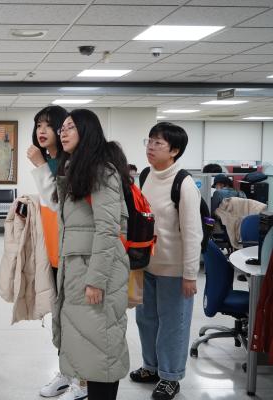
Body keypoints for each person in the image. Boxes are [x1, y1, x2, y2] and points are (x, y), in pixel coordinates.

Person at [32, 109, 130, 400]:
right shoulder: (77, 169)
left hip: (95, 272)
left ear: (87, 131)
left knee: (101, 346)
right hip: (77, 270)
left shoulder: (102, 171)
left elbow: (108, 229)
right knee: (88, 345)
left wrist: (96, 280)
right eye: (62, 128)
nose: (63, 132)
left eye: (70, 127)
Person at [130, 122, 202, 400]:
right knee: (146, 319)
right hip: (146, 264)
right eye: (149, 141)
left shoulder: (184, 184)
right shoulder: (146, 175)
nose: (150, 147)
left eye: (158, 143)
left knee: (173, 324)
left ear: (174, 150)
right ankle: (151, 367)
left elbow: (193, 233)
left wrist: (190, 274)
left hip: (174, 270)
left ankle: (171, 376)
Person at [27, 106, 88, 400]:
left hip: (73, 255)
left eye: (50, 125)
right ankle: (66, 372)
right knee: (60, 319)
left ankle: (83, 380)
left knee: (77, 321)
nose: (43, 131)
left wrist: (40, 164)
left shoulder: (71, 163)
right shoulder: (51, 160)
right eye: (39, 125)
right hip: (54, 254)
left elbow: (57, 201)